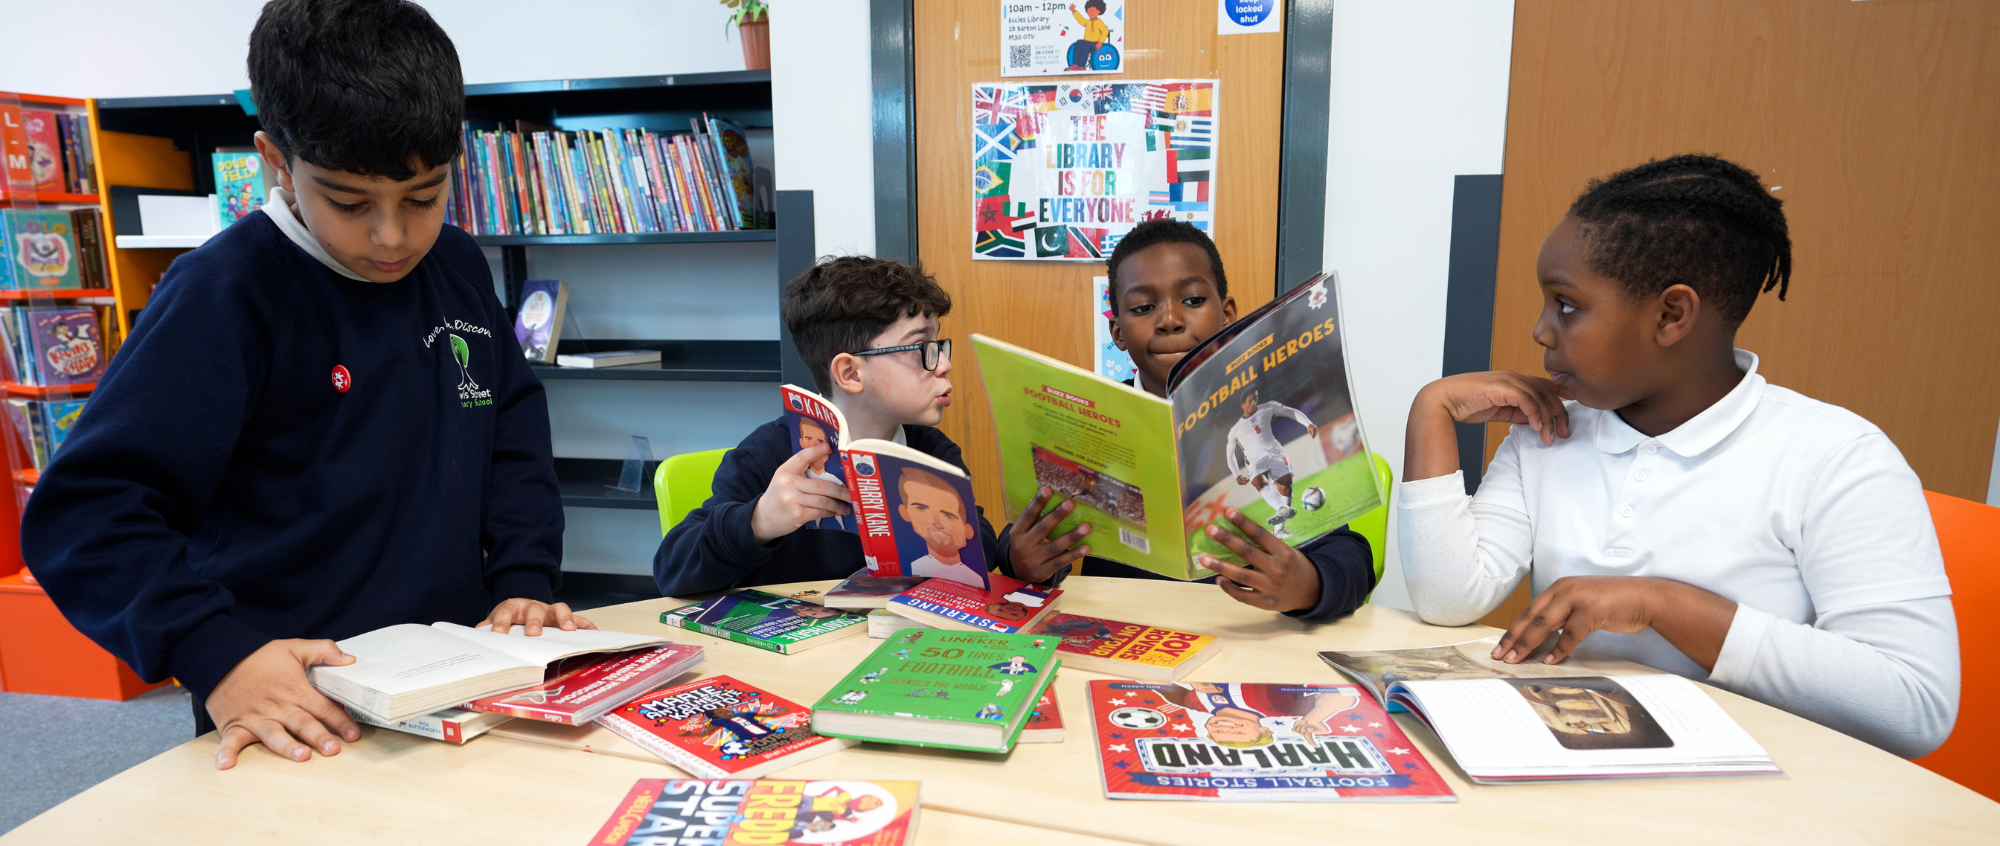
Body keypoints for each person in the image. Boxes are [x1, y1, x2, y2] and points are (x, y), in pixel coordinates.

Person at [21, 0, 583, 771]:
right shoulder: (226, 293)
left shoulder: (453, 264)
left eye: (424, 196)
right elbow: (85, 511)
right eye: (349, 203)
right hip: (291, 710)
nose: (393, 236)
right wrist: (214, 652)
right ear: (276, 162)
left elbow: (509, 422)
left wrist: (523, 574)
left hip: (459, 676)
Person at [1396, 154, 1958, 758]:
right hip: (1581, 766)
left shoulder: (1837, 458)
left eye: (1566, 305)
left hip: (1758, 788)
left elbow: (1914, 707)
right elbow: (1448, 599)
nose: (1541, 330)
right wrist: (1432, 410)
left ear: (1671, 316)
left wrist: (1661, 604)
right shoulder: (1550, 432)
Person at [1001, 219, 1376, 622]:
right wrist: (1021, 560)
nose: (1169, 320)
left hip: (1241, 634)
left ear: (1227, 314)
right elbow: (1029, 538)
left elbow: (1352, 559)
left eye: (1193, 300)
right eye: (1143, 308)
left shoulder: (1266, 414)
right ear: (1118, 332)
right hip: (1122, 634)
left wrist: (1309, 586)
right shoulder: (1086, 423)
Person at [654, 257, 1007, 595]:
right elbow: (672, 569)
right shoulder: (768, 453)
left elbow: (981, 547)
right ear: (850, 373)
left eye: (939, 344)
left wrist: (982, 543)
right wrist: (760, 521)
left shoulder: (931, 450)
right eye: (920, 347)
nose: (943, 364)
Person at [1224, 388, 1317, 538]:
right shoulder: (1235, 430)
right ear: (1242, 405)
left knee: (1286, 487)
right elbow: (1230, 454)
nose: (1254, 403)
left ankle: (1279, 530)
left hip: (1275, 452)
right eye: (1250, 400)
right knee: (1258, 481)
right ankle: (1281, 507)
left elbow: (1290, 412)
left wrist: (1308, 424)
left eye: (1255, 398)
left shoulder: (1268, 407)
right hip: (1254, 459)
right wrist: (1236, 474)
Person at [895, 465, 983, 585]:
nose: (936, 523)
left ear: (968, 530)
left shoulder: (975, 579)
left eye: (948, 515)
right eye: (922, 508)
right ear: (905, 512)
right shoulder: (911, 566)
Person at [1066, 1, 1112, 71]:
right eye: (1089, 11)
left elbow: (1105, 31)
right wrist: (1074, 11)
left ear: (1099, 11)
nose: (1091, 12)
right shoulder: (1088, 22)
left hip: (1094, 44)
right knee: (1079, 42)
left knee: (1085, 45)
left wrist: (1100, 42)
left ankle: (1081, 66)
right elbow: (1081, 20)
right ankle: (1075, 64)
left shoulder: (1099, 22)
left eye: (1093, 10)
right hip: (1086, 42)